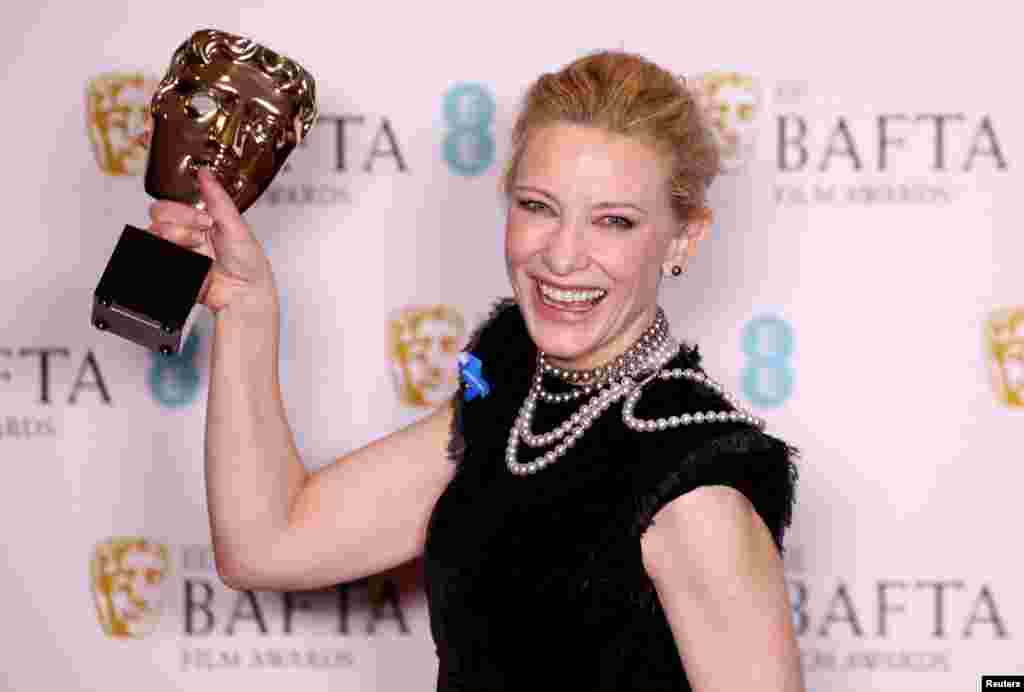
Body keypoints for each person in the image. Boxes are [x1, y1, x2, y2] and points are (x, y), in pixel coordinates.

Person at [148, 50, 803, 691]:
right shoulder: (516, 395)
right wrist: (247, 307)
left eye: (614, 221)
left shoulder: (695, 486)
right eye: (538, 207)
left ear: (684, 237)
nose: (563, 257)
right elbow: (267, 544)